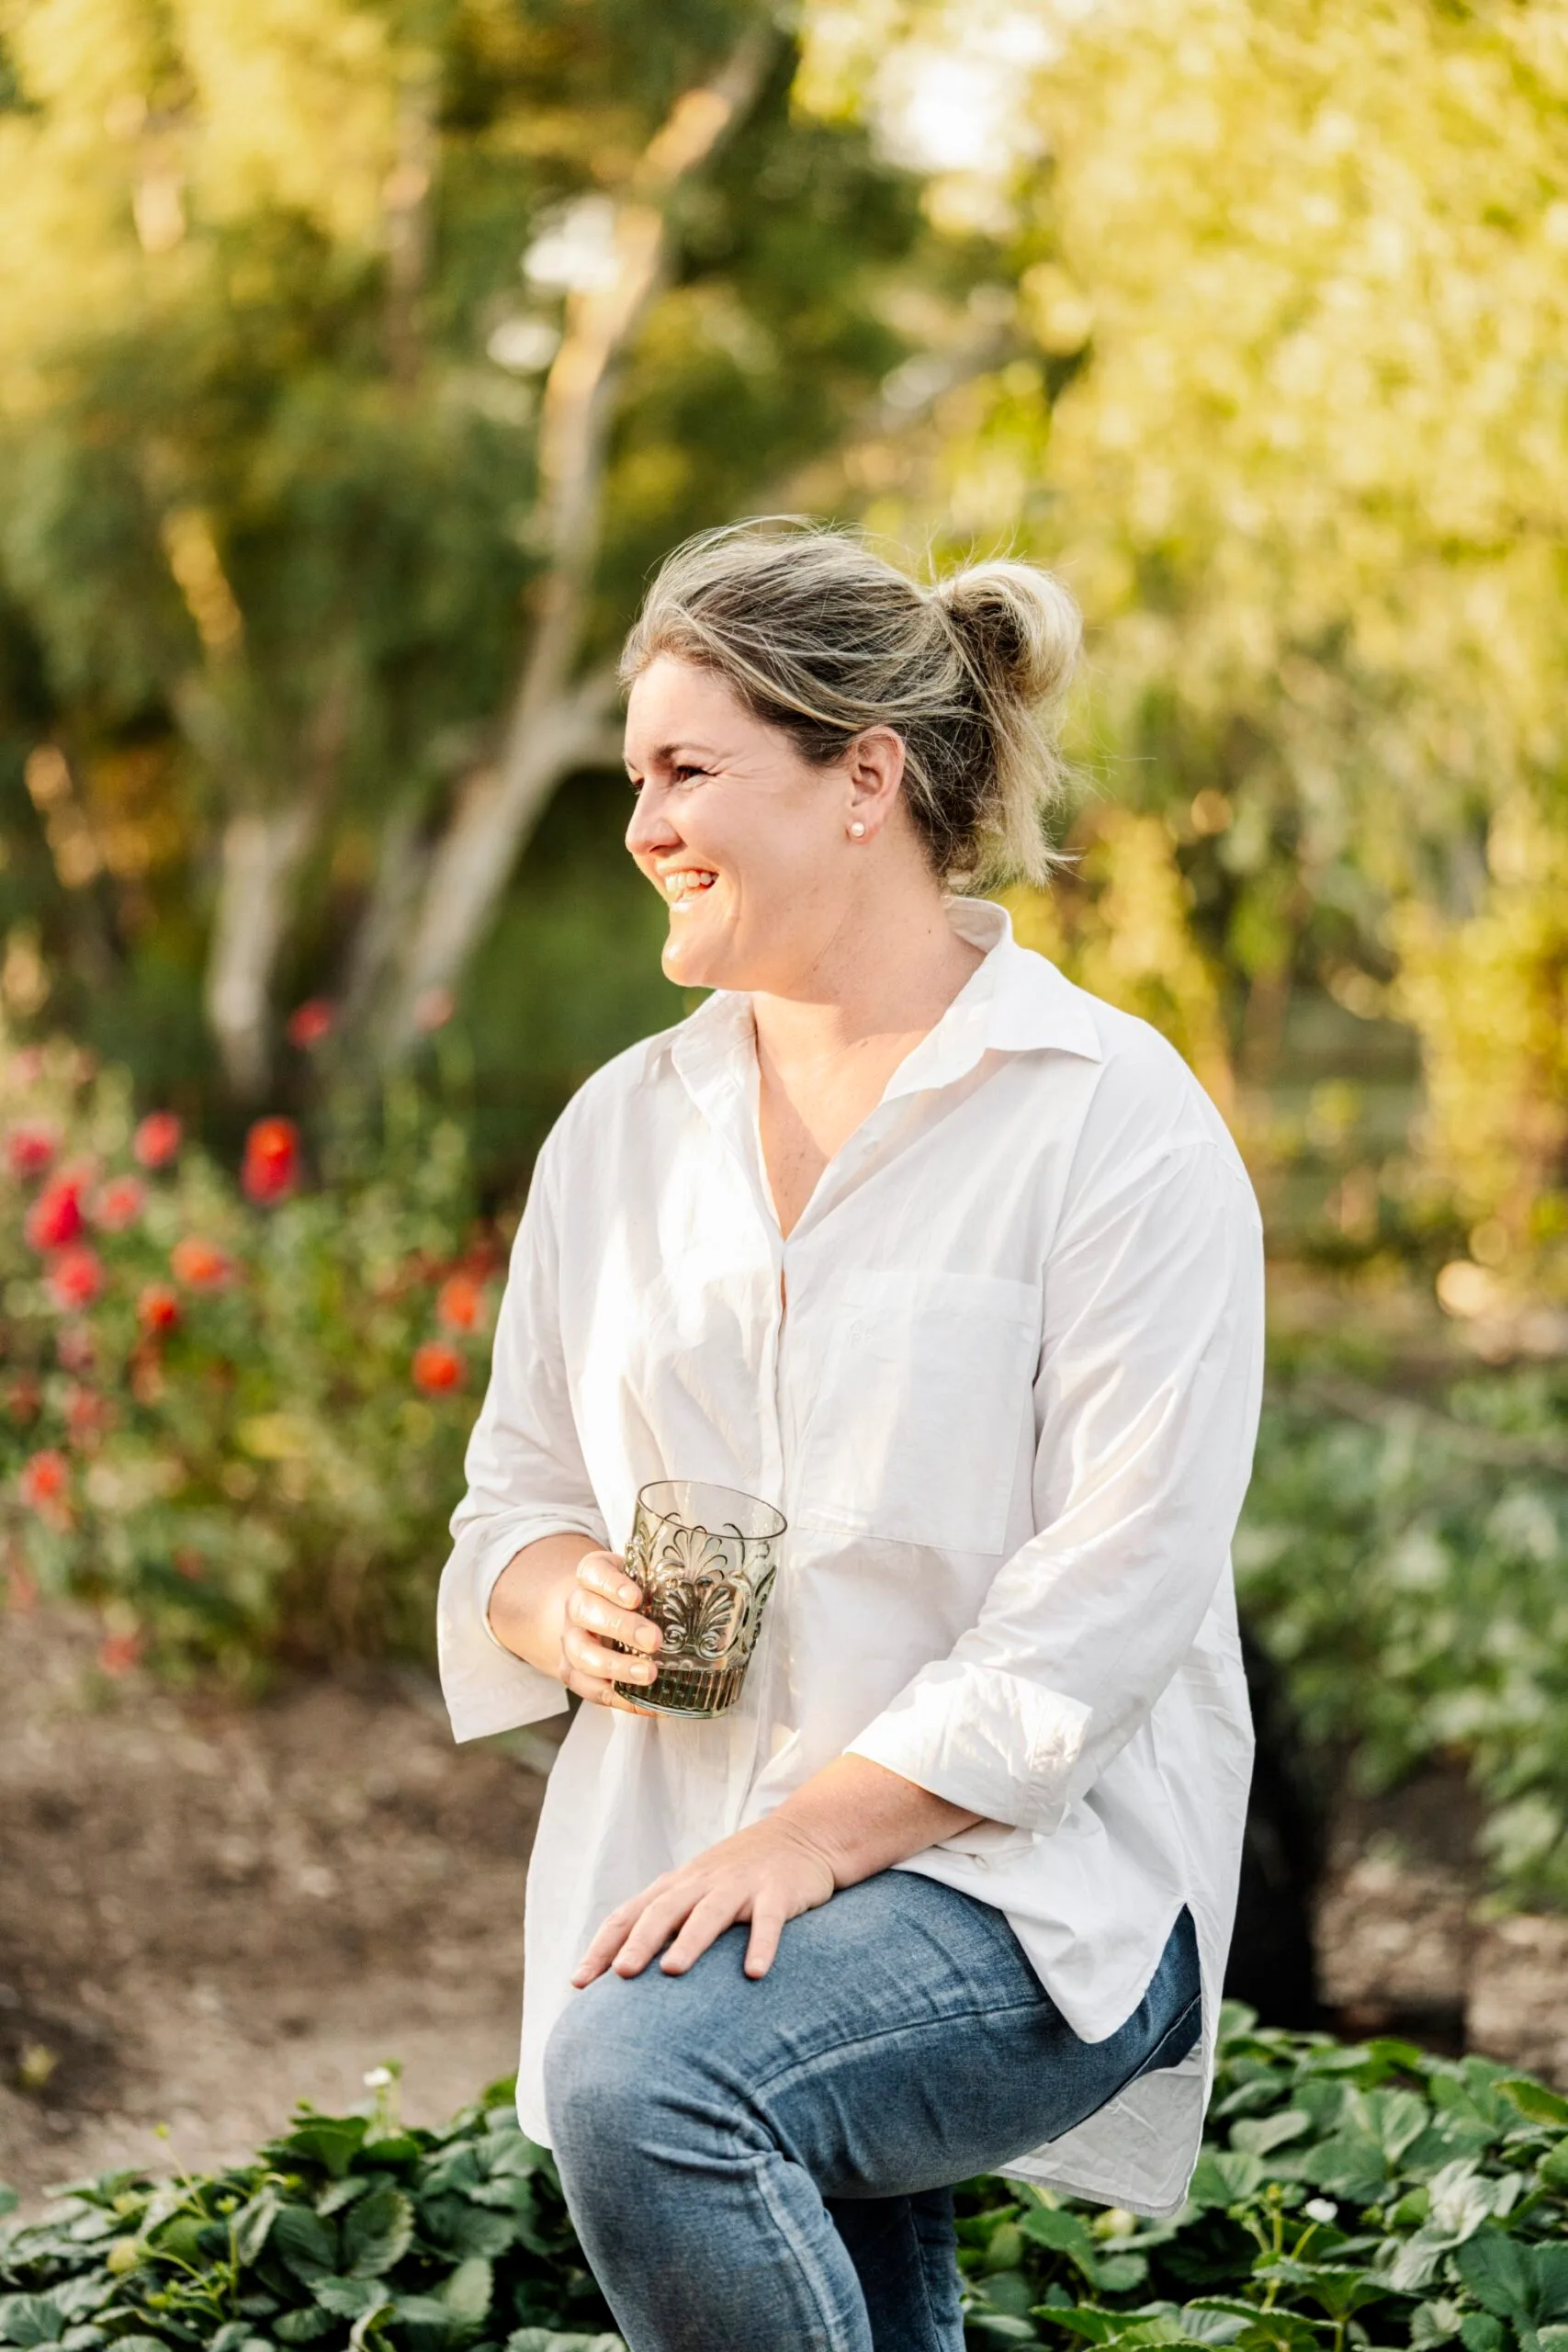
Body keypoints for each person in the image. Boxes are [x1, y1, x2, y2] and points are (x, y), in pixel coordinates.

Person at [435, 519, 1265, 2352]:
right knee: (801, 2208)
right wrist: (556, 1593)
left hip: (1027, 1872)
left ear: (862, 780)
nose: (642, 820)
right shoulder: (620, 1131)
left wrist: (816, 1831)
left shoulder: (1107, 1119)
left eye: (685, 770)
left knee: (658, 2087)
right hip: (696, 1841)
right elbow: (512, 1498)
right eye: (631, 773)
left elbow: (1117, 1587)